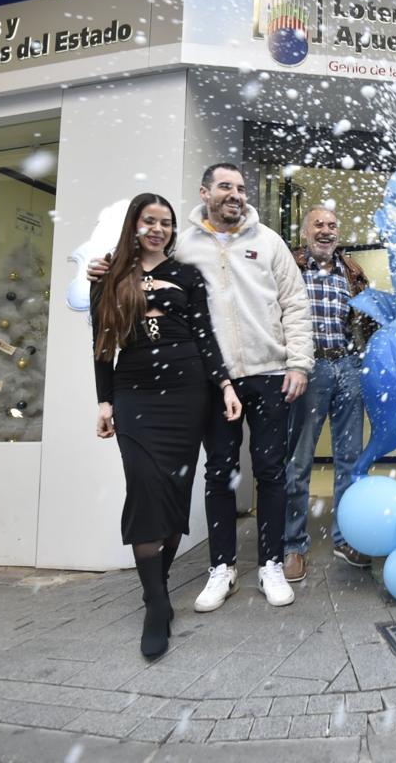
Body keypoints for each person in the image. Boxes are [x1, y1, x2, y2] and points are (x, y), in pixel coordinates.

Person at [90, 164, 313, 610]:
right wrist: (106, 268)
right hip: (213, 380)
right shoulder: (183, 245)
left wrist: (299, 363)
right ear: (205, 192)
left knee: (271, 471)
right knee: (220, 474)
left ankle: (270, 563)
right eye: (226, 186)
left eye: (242, 188)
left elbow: (295, 303)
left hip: (270, 373)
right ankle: (222, 568)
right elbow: (144, 267)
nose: (236, 194)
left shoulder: (269, 242)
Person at [91, 193, 242, 658]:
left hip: (188, 391)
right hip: (135, 392)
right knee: (143, 484)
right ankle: (157, 603)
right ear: (133, 225)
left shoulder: (186, 274)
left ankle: (157, 585)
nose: (158, 229)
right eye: (149, 221)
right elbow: (101, 344)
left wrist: (224, 385)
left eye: (166, 223)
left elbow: (204, 334)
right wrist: (104, 401)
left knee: (175, 493)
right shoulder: (108, 274)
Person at [282, 206, 374, 582]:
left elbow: (367, 323)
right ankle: (293, 545)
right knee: (298, 462)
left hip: (348, 368)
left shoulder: (350, 271)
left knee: (350, 460)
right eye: (318, 224)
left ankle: (345, 537)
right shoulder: (290, 267)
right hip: (308, 369)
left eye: (332, 226)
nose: (326, 231)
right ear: (305, 232)